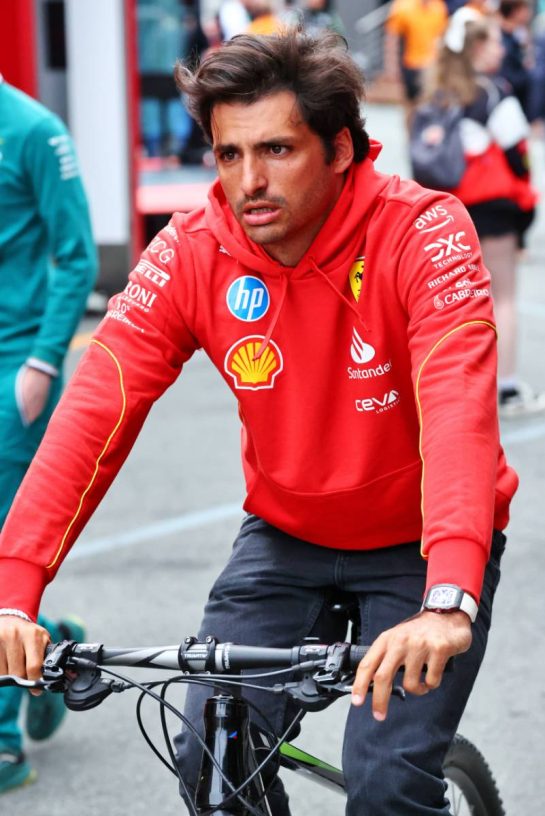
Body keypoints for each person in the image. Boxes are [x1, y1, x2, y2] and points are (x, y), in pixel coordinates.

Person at [0, 29, 517, 814]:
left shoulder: (424, 231)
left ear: (340, 149)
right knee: (210, 757)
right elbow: (97, 405)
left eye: (275, 150)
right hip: (287, 534)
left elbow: (457, 407)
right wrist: (14, 586)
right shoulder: (191, 250)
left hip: (419, 542)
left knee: (385, 785)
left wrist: (447, 598)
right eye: (228, 155)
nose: (249, 182)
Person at [0, 77, 96, 793]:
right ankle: (54, 644)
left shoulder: (33, 130)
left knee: (5, 553)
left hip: (14, 369)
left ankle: (3, 740)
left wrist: (42, 358)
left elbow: (78, 254)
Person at [421, 15, 544, 416]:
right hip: (492, 208)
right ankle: (505, 389)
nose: (501, 49)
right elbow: (518, 155)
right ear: (475, 49)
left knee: (457, 298)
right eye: (492, 43)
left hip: (447, 211)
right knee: (502, 297)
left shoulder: (436, 93)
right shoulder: (494, 95)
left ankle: (460, 384)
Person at [384, 0, 448, 125]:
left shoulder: (439, 7)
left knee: (430, 106)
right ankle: (411, 139)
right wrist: (391, 67)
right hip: (411, 65)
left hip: (431, 66)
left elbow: (442, 37)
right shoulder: (402, 6)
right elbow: (392, 38)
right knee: (410, 107)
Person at [498, 0, 533, 117]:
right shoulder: (501, 35)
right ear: (515, 12)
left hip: (517, 75)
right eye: (525, 9)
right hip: (507, 80)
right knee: (536, 77)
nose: (528, 13)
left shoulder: (518, 32)